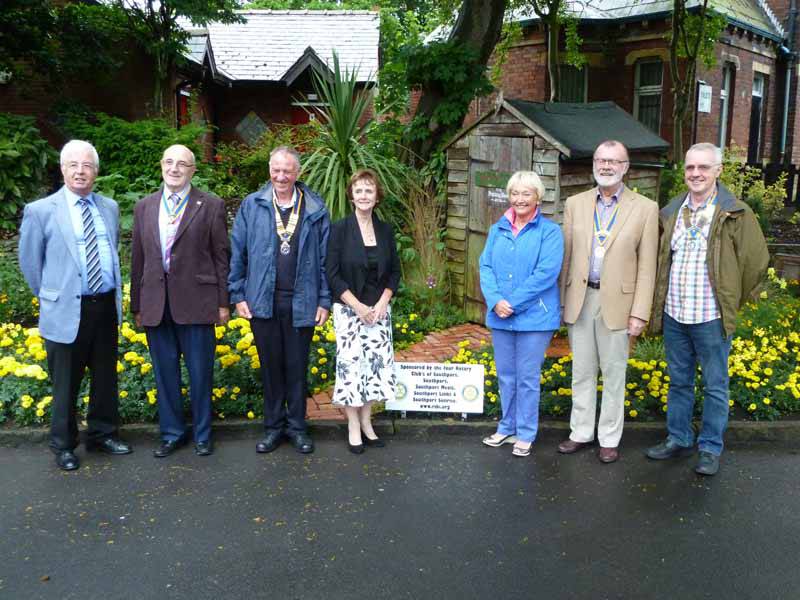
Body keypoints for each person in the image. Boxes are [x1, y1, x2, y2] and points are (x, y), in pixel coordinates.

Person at [646, 143, 769, 476]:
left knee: (715, 385)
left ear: (718, 171)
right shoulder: (671, 211)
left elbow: (755, 263)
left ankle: (710, 447)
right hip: (675, 314)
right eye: (690, 168)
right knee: (679, 381)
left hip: (710, 317)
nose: (695, 174)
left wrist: (729, 301)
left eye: (703, 167)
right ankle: (678, 437)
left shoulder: (735, 213)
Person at [18, 140, 131, 471]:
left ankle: (103, 434)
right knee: (65, 382)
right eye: (73, 165)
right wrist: (52, 295)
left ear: (96, 171)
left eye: (87, 166)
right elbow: (30, 263)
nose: (80, 171)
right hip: (67, 308)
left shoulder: (108, 207)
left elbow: (111, 252)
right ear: (62, 169)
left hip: (104, 305)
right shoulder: (41, 211)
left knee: (105, 377)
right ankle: (64, 445)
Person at [557, 140, 659, 464]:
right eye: (601, 159)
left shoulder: (645, 208)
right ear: (593, 165)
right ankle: (581, 432)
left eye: (614, 161)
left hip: (620, 303)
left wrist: (640, 312)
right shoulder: (574, 204)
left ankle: (609, 438)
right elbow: (567, 255)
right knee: (582, 371)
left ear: (626, 167)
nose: (606, 166)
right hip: (580, 298)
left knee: (614, 374)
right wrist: (561, 302)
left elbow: (648, 266)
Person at [130, 144, 231, 458]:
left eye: (182, 164)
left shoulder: (210, 205)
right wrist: (137, 305)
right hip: (156, 304)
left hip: (198, 303)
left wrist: (223, 302)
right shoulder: (144, 207)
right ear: (161, 165)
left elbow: (221, 258)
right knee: (165, 373)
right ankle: (172, 433)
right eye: (169, 162)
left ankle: (202, 434)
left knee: (201, 373)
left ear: (193, 170)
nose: (174, 169)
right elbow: (138, 259)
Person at [229, 146, 331, 455]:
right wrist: (237, 293)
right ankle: (273, 428)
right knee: (271, 367)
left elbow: (326, 259)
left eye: (287, 170)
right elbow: (238, 253)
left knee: (297, 367)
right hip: (262, 300)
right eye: (276, 169)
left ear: (297, 173)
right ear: (269, 170)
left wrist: (324, 300)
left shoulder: (315, 208)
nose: (281, 176)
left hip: (302, 300)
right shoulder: (253, 205)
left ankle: (298, 428)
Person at [479, 171, 563, 457]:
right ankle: (507, 427)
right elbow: (485, 267)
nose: (519, 199)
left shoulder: (550, 232)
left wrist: (510, 302)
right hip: (500, 315)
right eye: (514, 193)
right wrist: (495, 300)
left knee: (527, 377)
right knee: (506, 375)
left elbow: (546, 274)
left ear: (538, 197)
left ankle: (526, 433)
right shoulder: (496, 229)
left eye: (526, 193)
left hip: (534, 318)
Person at [326, 170, 401, 454]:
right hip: (349, 311)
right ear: (351, 196)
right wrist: (357, 307)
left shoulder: (385, 230)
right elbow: (331, 273)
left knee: (374, 370)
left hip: (379, 312)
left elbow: (394, 272)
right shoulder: (340, 229)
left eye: (369, 190)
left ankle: (368, 423)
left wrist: (382, 303)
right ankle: (353, 426)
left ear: (377, 196)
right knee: (352, 370)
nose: (364, 196)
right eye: (358, 191)